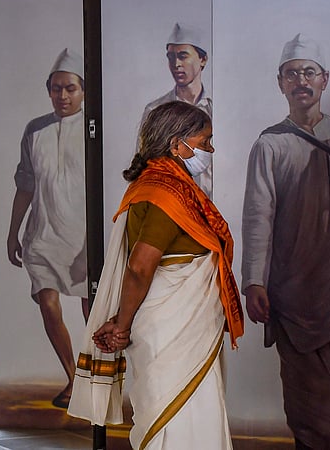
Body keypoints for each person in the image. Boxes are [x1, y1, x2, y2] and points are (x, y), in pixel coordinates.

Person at [69, 101, 244, 449]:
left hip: (179, 322)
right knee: (181, 412)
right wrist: (122, 323)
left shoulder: (164, 185)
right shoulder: (167, 192)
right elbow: (140, 265)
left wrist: (123, 320)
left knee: (190, 408)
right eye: (204, 141)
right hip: (172, 323)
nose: (209, 149)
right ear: (177, 144)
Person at [242, 33, 330, 449]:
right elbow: (258, 216)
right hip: (295, 293)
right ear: (280, 83)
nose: (301, 81)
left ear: (325, 79)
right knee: (306, 401)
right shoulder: (270, 144)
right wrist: (254, 282)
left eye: (309, 72)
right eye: (292, 74)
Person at [6, 47, 89, 409]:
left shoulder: (92, 129)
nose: (63, 96)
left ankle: (96, 379)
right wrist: (12, 232)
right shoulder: (34, 130)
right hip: (42, 235)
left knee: (93, 311)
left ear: (83, 91)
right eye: (56, 88)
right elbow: (25, 184)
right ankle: (73, 378)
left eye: (70, 88)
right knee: (48, 303)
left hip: (83, 238)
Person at [142, 22, 212, 195]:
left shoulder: (215, 109)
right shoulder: (155, 110)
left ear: (202, 59)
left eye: (183, 56)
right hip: (170, 203)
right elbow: (145, 165)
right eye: (171, 57)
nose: (176, 64)